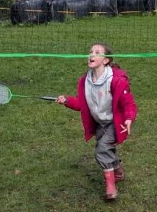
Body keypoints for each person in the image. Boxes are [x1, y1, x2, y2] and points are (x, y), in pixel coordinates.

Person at [56, 43, 137, 201]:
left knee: (102, 150)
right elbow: (82, 104)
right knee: (106, 149)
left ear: (105, 60)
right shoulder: (85, 81)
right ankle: (118, 171)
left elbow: (128, 103)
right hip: (100, 122)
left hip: (114, 122)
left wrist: (128, 119)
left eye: (97, 52)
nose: (91, 55)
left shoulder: (116, 80)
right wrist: (66, 100)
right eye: (90, 52)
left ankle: (111, 187)